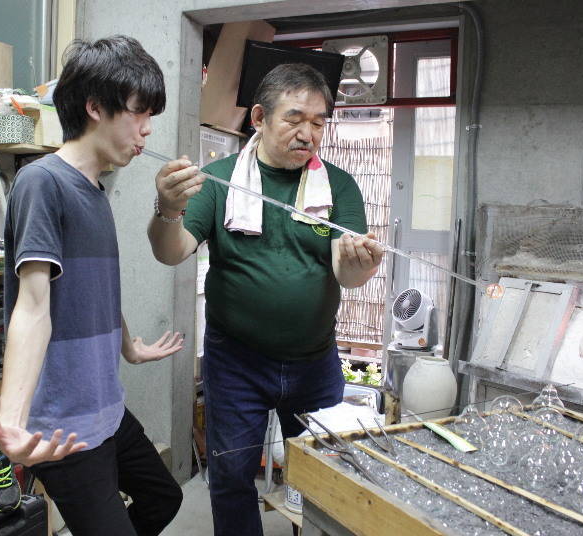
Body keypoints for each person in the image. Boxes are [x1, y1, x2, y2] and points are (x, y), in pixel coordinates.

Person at [148, 63, 384, 535]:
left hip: (315, 360)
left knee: (326, 473)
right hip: (236, 362)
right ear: (258, 117)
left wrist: (359, 267)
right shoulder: (217, 180)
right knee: (233, 474)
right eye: (295, 118)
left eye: (319, 122)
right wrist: (168, 209)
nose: (309, 133)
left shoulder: (338, 187)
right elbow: (170, 251)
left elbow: (347, 274)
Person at [0, 36, 184, 536]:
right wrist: (11, 422)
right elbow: (32, 309)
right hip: (64, 427)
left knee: (163, 498)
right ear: (95, 106)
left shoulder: (95, 190)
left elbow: (94, 291)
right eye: (139, 113)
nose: (146, 130)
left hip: (107, 409)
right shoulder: (41, 182)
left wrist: (129, 347)